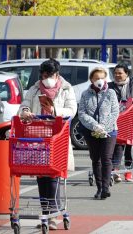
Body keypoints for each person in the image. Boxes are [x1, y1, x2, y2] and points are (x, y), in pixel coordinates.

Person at [18, 59, 77, 230]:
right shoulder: (35, 88)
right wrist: (25, 112)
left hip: (57, 136)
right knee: (41, 175)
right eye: (43, 75)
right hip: (37, 135)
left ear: (57, 74)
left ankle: (51, 214)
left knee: (53, 175)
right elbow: (25, 104)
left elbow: (72, 110)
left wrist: (55, 112)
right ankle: (46, 212)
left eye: (49, 75)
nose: (46, 78)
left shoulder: (66, 88)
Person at [78, 67, 119, 200]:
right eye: (96, 78)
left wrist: (103, 126)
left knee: (106, 158)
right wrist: (94, 125)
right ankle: (99, 188)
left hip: (109, 131)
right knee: (96, 159)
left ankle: (106, 189)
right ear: (91, 80)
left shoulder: (111, 93)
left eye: (102, 78)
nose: (99, 81)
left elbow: (115, 112)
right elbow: (82, 113)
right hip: (91, 131)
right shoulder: (85, 94)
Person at [108, 64, 133, 182]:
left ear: (126, 74)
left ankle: (129, 171)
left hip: (130, 120)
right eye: (115, 73)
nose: (117, 75)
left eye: (120, 73)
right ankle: (116, 170)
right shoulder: (110, 86)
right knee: (118, 146)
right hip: (115, 120)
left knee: (130, 147)